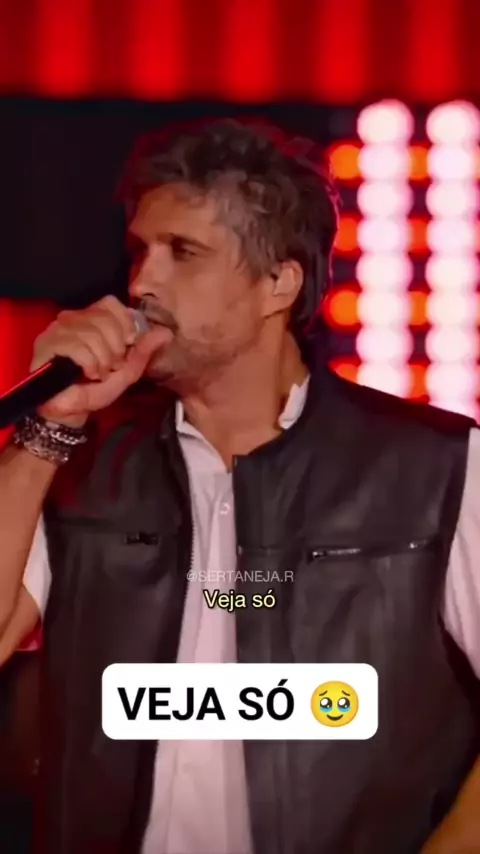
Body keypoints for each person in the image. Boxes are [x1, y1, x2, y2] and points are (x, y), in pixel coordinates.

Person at [1, 117, 480, 854]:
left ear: (277, 284)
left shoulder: (439, 469)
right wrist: (47, 429)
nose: (141, 283)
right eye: (140, 251)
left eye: (182, 253)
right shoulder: (82, 462)